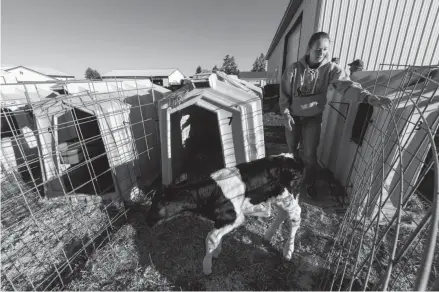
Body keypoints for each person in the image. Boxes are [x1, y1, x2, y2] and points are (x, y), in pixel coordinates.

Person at [279, 32, 391, 199]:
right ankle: (292, 181)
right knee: (292, 150)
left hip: (313, 118)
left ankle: (309, 183)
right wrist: (286, 114)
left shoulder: (331, 70)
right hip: (293, 117)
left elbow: (347, 86)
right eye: (317, 49)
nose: (321, 53)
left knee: (310, 155)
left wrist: (367, 97)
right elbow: (284, 96)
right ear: (309, 48)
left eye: (325, 49)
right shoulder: (293, 70)